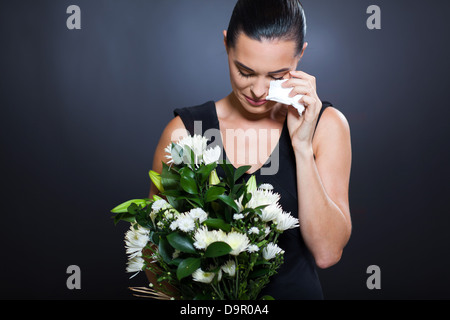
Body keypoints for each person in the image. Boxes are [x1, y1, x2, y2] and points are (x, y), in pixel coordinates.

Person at [147, 0, 352, 300]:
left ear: (300, 56)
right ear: (226, 45)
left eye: (276, 75)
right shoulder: (183, 132)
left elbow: (327, 252)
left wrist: (303, 147)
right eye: (245, 71)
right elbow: (156, 251)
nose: (258, 91)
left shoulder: (327, 126)